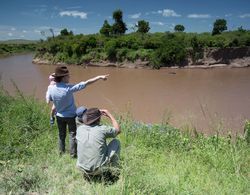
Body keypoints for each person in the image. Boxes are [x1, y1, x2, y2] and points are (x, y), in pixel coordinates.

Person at [46, 65, 109, 158]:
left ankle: (61, 152)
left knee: (61, 135)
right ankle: (73, 155)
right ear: (63, 78)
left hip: (59, 116)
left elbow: (49, 100)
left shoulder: (51, 89)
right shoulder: (69, 88)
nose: (69, 77)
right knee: (72, 135)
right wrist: (99, 77)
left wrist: (53, 81)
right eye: (68, 76)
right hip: (71, 116)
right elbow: (87, 83)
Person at [76, 108, 121, 176]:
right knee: (116, 142)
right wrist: (109, 114)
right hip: (98, 170)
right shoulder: (102, 129)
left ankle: (88, 171)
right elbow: (118, 130)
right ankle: (114, 172)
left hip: (81, 168)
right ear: (99, 119)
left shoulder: (79, 129)